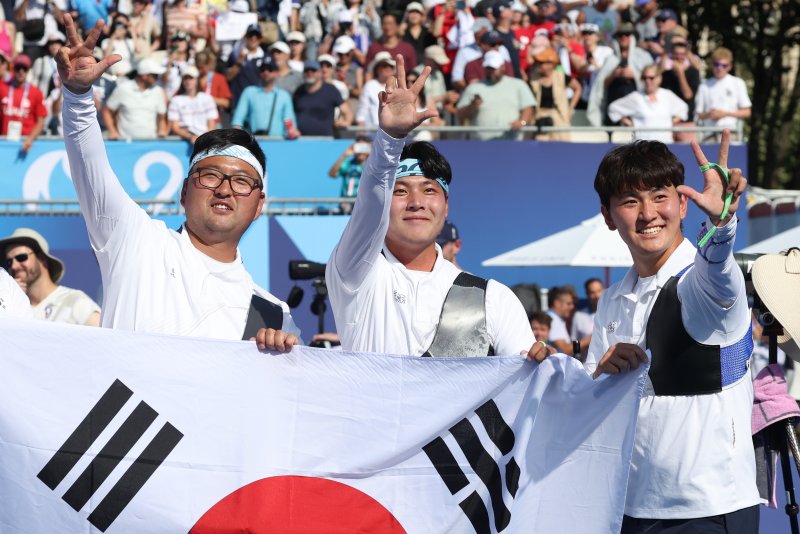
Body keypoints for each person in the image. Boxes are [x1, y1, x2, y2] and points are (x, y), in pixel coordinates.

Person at [55, 15, 300, 350]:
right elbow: (89, 165)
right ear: (185, 191)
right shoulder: (136, 239)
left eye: (242, 181)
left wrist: (279, 366)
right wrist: (78, 96)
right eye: (211, 175)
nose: (225, 189)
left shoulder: (272, 315)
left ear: (259, 205)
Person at [326, 54, 551, 362]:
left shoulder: (493, 299)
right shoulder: (355, 273)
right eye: (401, 191)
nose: (417, 202)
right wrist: (391, 138)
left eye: (430, 190)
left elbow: (528, 388)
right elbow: (371, 196)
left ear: (446, 207)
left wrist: (547, 364)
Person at [586, 132, 758, 532]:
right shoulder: (611, 299)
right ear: (609, 216)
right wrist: (598, 374)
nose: (648, 214)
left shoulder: (700, 282)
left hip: (709, 508)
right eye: (631, 201)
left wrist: (722, 226)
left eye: (660, 196)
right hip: (629, 507)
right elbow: (589, 405)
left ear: (683, 203)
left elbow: (717, 270)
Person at [1, 228, 100, 325]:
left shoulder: (75, 301)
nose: (14, 266)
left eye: (21, 257)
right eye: (9, 262)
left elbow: (102, 338)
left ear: (42, 258)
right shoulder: (11, 307)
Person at [456, 50, 535, 141]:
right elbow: (460, 115)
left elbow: (528, 108)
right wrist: (472, 106)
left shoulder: (518, 85)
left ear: (502, 67)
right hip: (481, 144)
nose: (491, 71)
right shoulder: (474, 88)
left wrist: (522, 122)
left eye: (494, 68)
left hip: (511, 142)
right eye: (488, 68)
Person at [607, 64, 688, 143]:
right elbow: (613, 108)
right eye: (644, 78)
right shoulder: (636, 97)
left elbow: (683, 108)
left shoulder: (667, 95)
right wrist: (628, 123)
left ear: (659, 78)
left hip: (665, 144)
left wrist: (673, 122)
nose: (647, 81)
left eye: (651, 78)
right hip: (643, 147)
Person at [102, 57, 168, 140]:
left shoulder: (158, 91)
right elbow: (107, 111)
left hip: (151, 144)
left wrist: (162, 130)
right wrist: (112, 131)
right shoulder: (123, 89)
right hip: (126, 143)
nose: (158, 78)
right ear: (144, 76)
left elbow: (161, 117)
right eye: (155, 75)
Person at [695, 47, 751, 142]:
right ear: (712, 65)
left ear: (730, 66)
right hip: (709, 135)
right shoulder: (704, 85)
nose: (720, 68)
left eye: (724, 65)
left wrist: (724, 114)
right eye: (717, 64)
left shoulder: (737, 83)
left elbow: (747, 112)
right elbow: (699, 114)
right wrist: (710, 114)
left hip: (731, 134)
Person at [232, 57, 298, 137]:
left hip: (278, 142)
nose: (266, 72)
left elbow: (289, 121)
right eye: (263, 69)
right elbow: (238, 119)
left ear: (276, 73)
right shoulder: (249, 92)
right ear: (259, 72)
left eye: (270, 69)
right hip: (255, 142)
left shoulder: (284, 95)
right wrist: (238, 137)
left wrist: (292, 132)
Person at [528, 47, 581, 141]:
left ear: (551, 64)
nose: (538, 65)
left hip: (559, 116)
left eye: (541, 63)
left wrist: (571, 108)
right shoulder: (533, 78)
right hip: (540, 117)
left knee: (561, 145)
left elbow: (578, 88)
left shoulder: (561, 76)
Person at [0, 53, 47, 152]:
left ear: (28, 71)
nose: (21, 72)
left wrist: (30, 139)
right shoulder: (2, 88)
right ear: (13, 69)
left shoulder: (36, 92)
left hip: (26, 144)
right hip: (4, 142)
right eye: (18, 68)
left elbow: (41, 122)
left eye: (24, 69)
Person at [292, 59, 352, 136]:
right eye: (307, 71)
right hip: (302, 140)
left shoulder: (331, 90)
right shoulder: (299, 91)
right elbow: (291, 114)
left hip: (325, 140)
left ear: (320, 73)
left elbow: (347, 112)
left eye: (313, 70)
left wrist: (346, 122)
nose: (310, 73)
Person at [168, 65, 218, 144]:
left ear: (197, 80)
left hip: (205, 141)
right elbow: (174, 126)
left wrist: (202, 138)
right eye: (185, 78)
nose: (188, 81)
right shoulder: (176, 100)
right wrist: (189, 136)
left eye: (191, 78)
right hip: (183, 141)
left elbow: (211, 125)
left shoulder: (207, 99)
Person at [328, 137, 371, 213]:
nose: (361, 150)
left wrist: (373, 153)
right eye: (359, 147)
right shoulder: (348, 164)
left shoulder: (373, 164)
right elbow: (332, 174)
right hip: (346, 203)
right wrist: (344, 155)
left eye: (364, 147)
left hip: (365, 204)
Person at [570, 277, 603, 354]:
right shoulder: (578, 316)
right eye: (592, 292)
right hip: (586, 363)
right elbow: (574, 345)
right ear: (587, 294)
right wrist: (592, 338)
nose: (597, 295)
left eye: (599, 291)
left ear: (604, 290)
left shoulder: (613, 312)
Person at [546, 286, 574, 355]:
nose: (572, 307)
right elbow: (565, 350)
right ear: (557, 303)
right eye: (568, 304)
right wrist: (590, 339)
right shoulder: (552, 320)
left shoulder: (555, 318)